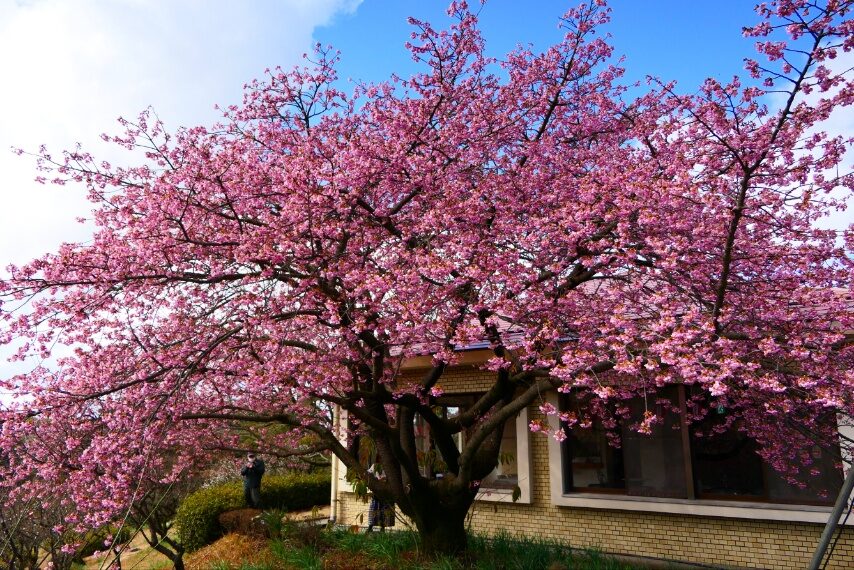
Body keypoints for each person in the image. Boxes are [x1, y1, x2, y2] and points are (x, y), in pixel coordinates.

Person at [366, 463, 395, 532]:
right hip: (377, 492)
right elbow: (368, 474)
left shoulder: (391, 465)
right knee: (374, 510)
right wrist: (376, 481)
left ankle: (383, 529)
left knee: (385, 511)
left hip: (387, 493)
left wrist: (386, 479)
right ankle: (370, 527)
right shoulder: (375, 466)